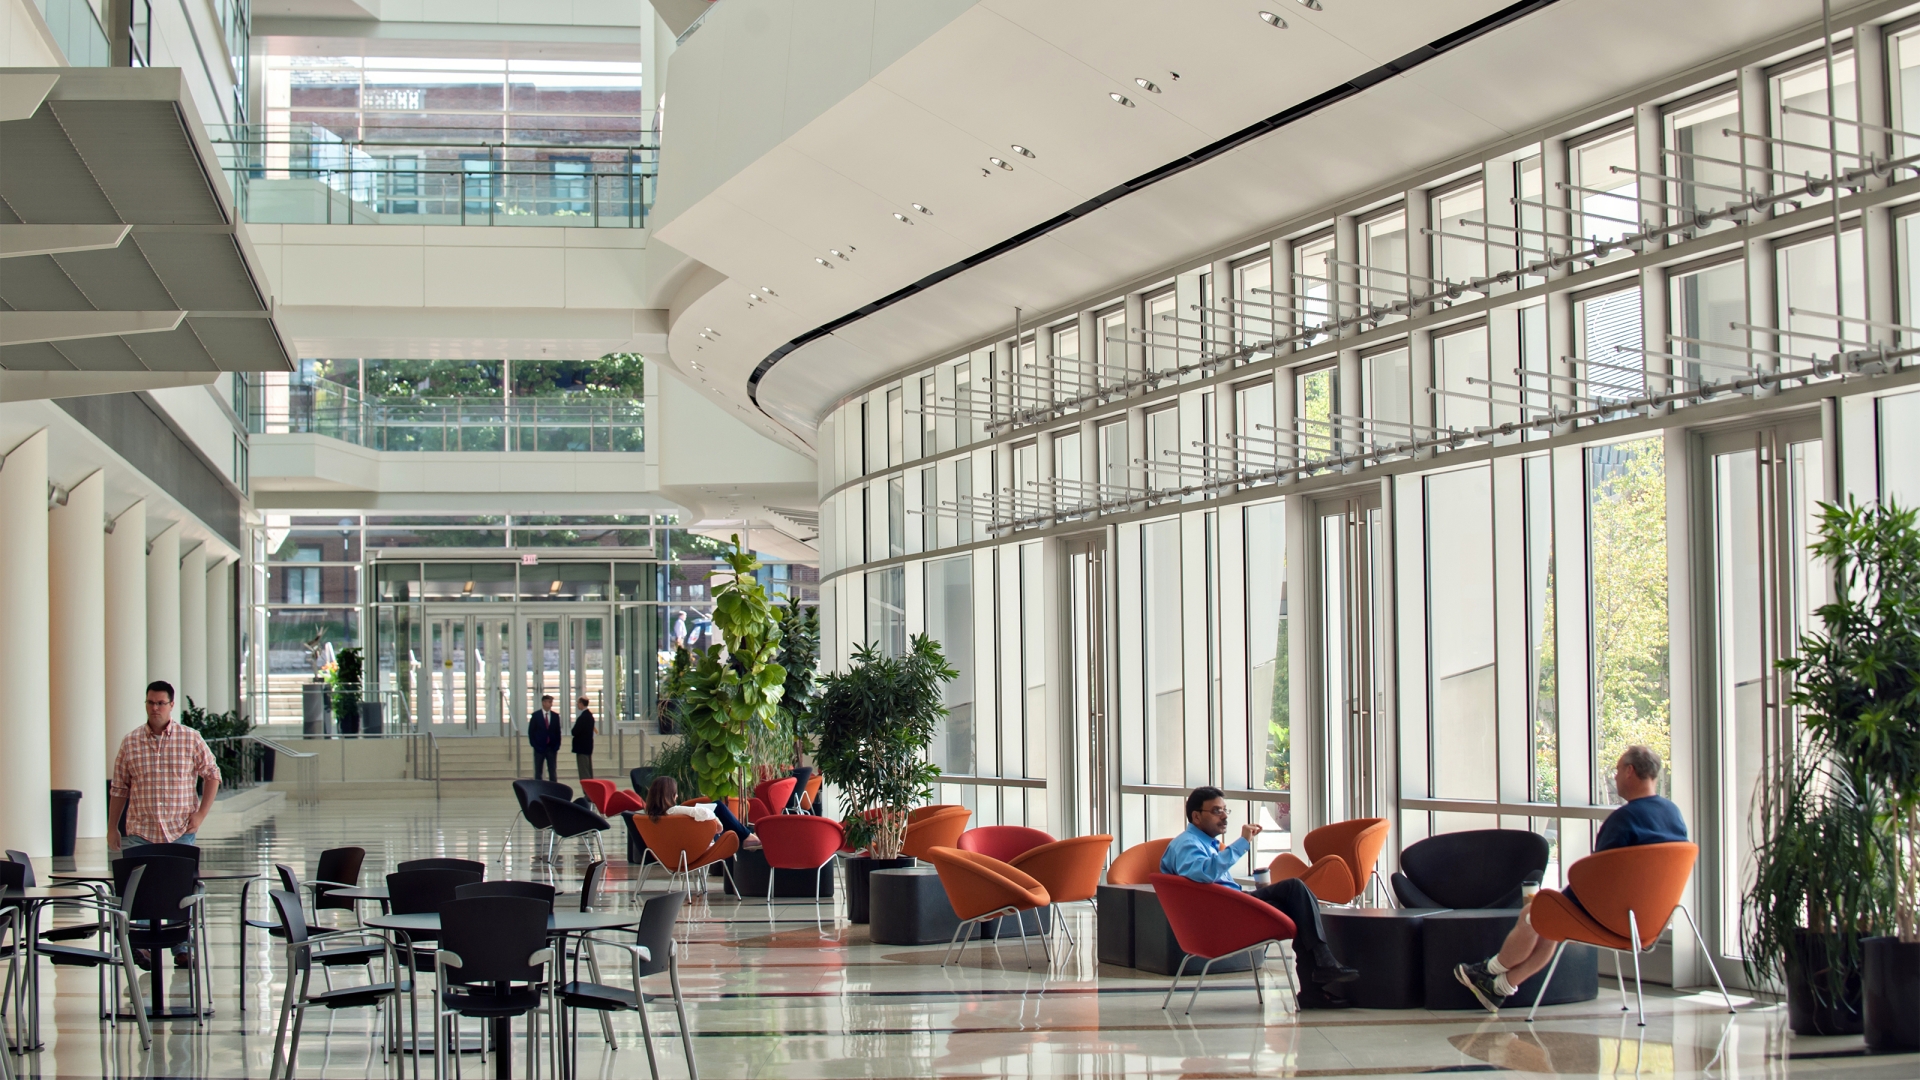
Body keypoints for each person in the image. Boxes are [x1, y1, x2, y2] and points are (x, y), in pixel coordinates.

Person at [1454, 745, 1688, 1012]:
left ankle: (1489, 969)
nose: (1615, 776)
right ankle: (1499, 988)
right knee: (1550, 923)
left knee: (1535, 913)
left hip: (1612, 920)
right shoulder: (1673, 814)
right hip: (1650, 921)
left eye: (1617, 769)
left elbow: (1599, 875)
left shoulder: (1625, 819)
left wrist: (1563, 901)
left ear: (1630, 771)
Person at [1163, 786, 1359, 1006]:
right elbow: (1203, 873)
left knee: (1300, 907)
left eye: (1226, 810)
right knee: (1294, 888)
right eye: (1217, 811)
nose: (1225, 816)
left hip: (1228, 907)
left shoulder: (1202, 843)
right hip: (1223, 916)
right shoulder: (1188, 844)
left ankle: (1315, 988)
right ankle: (1323, 964)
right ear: (1196, 816)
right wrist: (1243, 842)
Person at [108, 680, 220, 968]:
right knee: (140, 891)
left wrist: (201, 815)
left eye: (160, 703)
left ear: (171, 706)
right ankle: (142, 946)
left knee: (179, 890)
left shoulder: (190, 738)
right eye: (150, 702)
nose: (155, 708)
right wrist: (112, 827)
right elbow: (119, 789)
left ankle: (181, 947)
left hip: (180, 832)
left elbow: (212, 775)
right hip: (140, 832)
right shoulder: (130, 741)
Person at [645, 776, 754, 845]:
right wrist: (717, 821)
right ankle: (748, 837)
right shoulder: (673, 811)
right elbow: (704, 813)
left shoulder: (648, 817)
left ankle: (747, 836)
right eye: (675, 793)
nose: (677, 796)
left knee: (717, 807)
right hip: (693, 849)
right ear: (671, 795)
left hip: (667, 852)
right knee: (719, 806)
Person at [527, 695, 562, 782]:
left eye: (551, 702)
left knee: (552, 770)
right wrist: (534, 744)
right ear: (544, 703)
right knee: (538, 770)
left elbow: (558, 732)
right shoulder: (536, 716)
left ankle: (553, 789)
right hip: (539, 747)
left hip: (551, 747)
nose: (550, 704)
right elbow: (531, 731)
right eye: (549, 702)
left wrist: (557, 745)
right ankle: (538, 789)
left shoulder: (555, 716)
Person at [571, 696, 596, 780]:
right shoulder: (590, 716)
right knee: (588, 769)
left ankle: (587, 791)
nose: (577, 705)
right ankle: (590, 791)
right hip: (588, 746)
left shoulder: (583, 718)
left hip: (582, 747)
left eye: (578, 703)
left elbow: (575, 731)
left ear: (581, 704)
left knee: (584, 771)